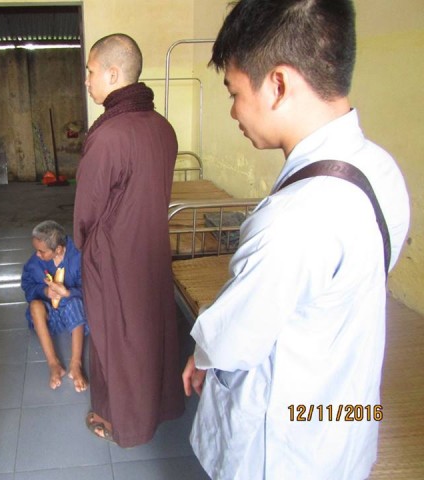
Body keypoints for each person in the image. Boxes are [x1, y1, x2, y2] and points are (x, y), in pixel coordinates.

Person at [181, 1, 410, 479]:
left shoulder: (292, 220)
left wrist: (202, 353)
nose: (233, 111)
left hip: (288, 448)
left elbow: (232, 343)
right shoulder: (380, 168)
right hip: (343, 414)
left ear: (278, 85)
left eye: (234, 92)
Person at [74, 33, 185, 447]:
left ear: (113, 73)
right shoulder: (163, 128)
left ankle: (122, 420)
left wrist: (85, 249)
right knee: (152, 330)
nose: (87, 80)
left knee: (114, 340)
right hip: (151, 249)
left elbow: (86, 213)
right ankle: (161, 406)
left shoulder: (108, 136)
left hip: (114, 258)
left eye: (90, 71)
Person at [21, 220, 88, 392]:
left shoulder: (79, 257)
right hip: (51, 315)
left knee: (75, 302)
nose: (37, 255)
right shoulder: (34, 264)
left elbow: (92, 289)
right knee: (35, 306)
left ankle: (76, 364)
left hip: (76, 314)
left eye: (42, 251)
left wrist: (68, 293)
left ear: (58, 249)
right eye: (36, 250)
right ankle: (54, 364)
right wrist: (44, 291)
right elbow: (27, 287)